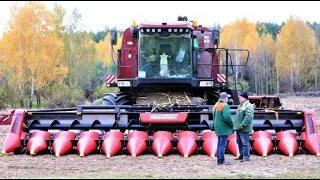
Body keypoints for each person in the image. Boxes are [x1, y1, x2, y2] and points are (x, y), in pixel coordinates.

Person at [212, 92, 234, 165]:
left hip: (217, 127)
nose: (227, 99)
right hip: (223, 128)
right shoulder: (224, 105)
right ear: (225, 98)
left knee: (219, 144)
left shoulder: (216, 105)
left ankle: (219, 159)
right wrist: (232, 125)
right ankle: (221, 160)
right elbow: (227, 118)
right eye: (227, 97)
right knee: (222, 145)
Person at [234, 91, 254, 162]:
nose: (239, 98)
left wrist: (242, 125)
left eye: (240, 97)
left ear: (245, 98)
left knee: (245, 142)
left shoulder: (248, 106)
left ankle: (246, 156)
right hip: (239, 127)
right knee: (239, 141)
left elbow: (248, 117)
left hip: (243, 128)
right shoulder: (241, 105)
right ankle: (241, 155)